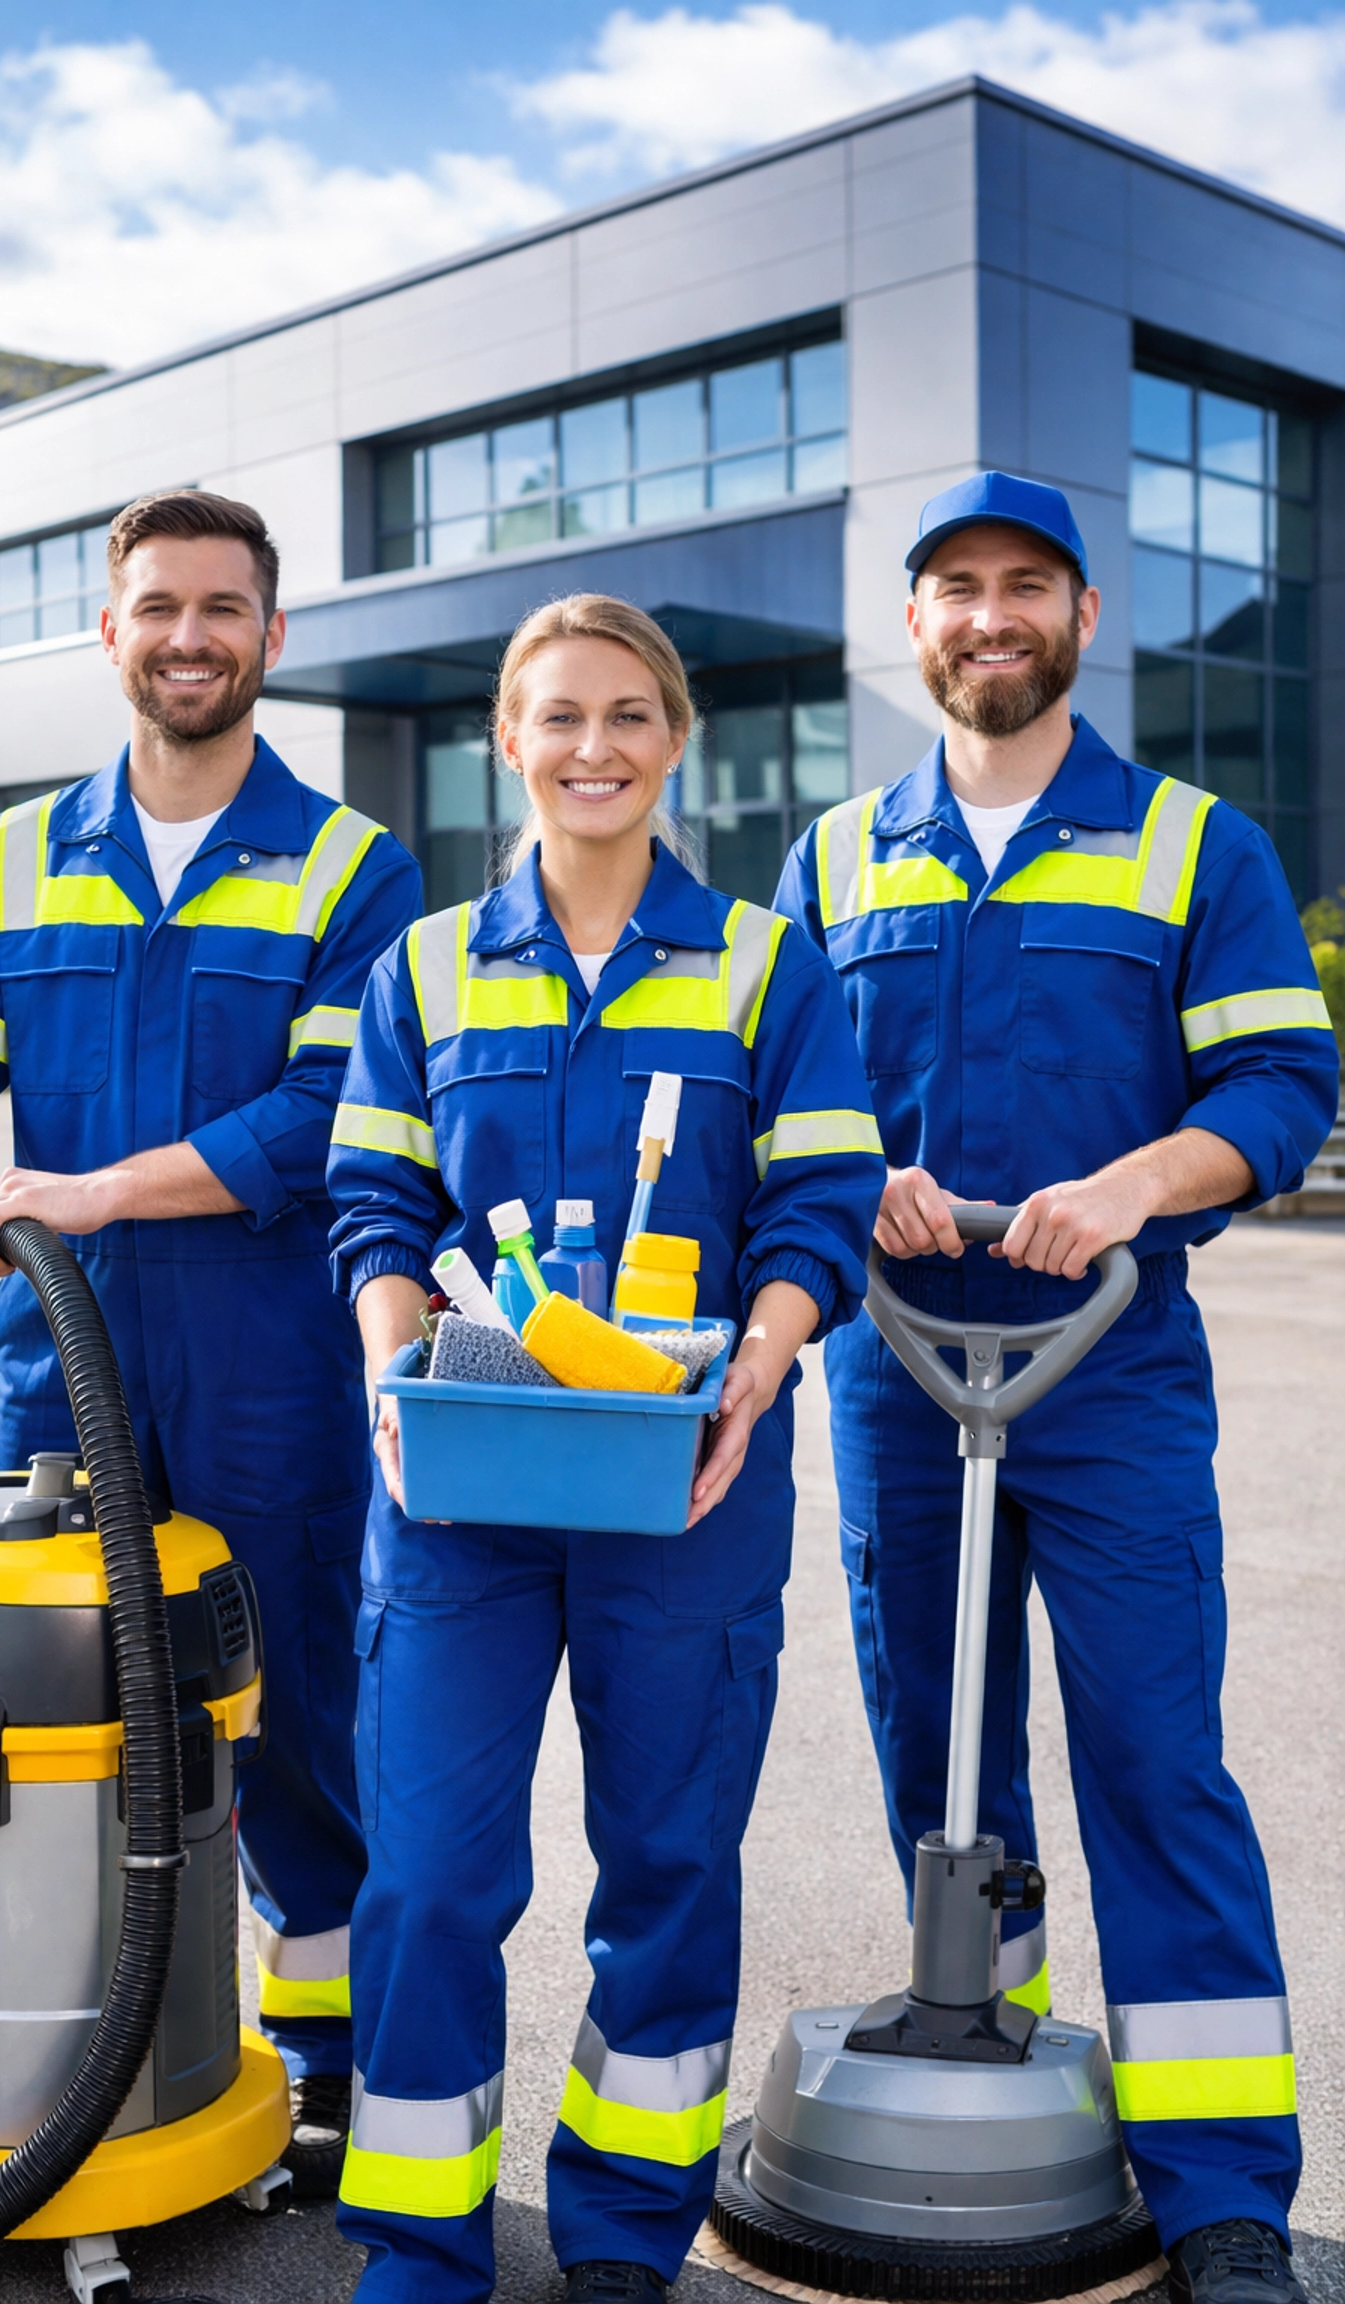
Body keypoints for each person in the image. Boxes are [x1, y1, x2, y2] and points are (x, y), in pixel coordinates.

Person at [777, 472, 1339, 2304]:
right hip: (893, 1366)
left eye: (1027, 586)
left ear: (1084, 617)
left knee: (1158, 1758)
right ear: (915, 626)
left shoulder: (1194, 845)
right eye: (955, 588)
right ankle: (988, 2032)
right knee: (937, 1735)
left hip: (1107, 1371)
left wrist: (1130, 1188)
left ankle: (1221, 2192)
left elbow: (1275, 1096)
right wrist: (851, 1176)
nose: (989, 617)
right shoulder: (835, 855)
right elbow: (773, 1101)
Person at [325, 593, 884, 2304]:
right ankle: (420, 2251)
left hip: (684, 1492)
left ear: (676, 738)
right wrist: (391, 1370)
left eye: (629, 715)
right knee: (424, 1877)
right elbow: (375, 1208)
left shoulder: (763, 963)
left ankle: (629, 2236)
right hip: (463, 1495)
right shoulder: (422, 967)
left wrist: (764, 1358)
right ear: (509, 737)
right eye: (559, 716)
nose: (594, 749)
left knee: (667, 1871)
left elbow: (822, 1200)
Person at [0, 488, 421, 2197]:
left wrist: (94, 1192)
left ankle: (322, 2056)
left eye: (223, 607)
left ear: (274, 635)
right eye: (158, 606)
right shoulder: (12, 858)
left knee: (303, 1716)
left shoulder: (350, 863)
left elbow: (333, 1111)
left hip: (274, 1377)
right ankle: (84, 2032)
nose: (189, 636)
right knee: (83, 1715)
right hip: (65, 1372)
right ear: (109, 633)